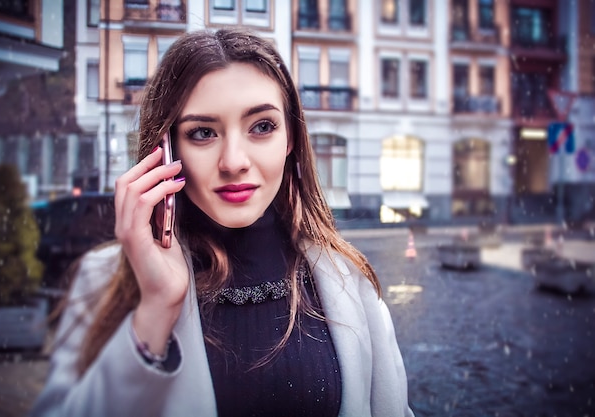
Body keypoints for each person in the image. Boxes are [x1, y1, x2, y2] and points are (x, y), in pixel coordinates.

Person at [30, 28, 414, 417]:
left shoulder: (348, 280)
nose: (234, 161)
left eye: (262, 127)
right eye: (202, 133)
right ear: (164, 151)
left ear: (291, 138)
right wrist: (155, 312)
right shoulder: (104, 282)